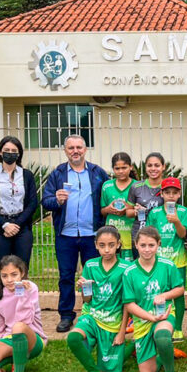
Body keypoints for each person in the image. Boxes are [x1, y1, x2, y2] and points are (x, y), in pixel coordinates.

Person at [41, 134, 110, 333]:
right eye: (71, 148)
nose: (75, 151)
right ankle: (66, 315)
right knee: (66, 276)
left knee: (95, 275)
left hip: (92, 234)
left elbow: (108, 197)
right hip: (66, 234)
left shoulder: (98, 173)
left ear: (85, 149)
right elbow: (46, 201)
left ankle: (95, 312)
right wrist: (57, 200)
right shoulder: (58, 174)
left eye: (79, 147)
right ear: (65, 151)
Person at [66, 226, 132, 372]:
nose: (107, 249)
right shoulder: (90, 265)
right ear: (96, 245)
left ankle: (134, 347)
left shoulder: (127, 267)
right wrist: (84, 288)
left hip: (113, 321)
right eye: (102, 245)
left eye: (111, 245)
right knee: (73, 338)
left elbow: (127, 303)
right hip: (92, 316)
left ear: (118, 244)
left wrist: (122, 332)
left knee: (111, 368)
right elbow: (87, 300)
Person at [122, 226, 186, 372]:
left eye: (151, 245)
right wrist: (150, 317)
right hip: (143, 320)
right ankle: (164, 354)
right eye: (143, 245)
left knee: (162, 335)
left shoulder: (168, 265)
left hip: (164, 315)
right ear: (136, 245)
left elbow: (180, 289)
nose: (147, 249)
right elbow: (129, 304)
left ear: (158, 244)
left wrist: (164, 295)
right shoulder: (129, 272)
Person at [0, 136, 38, 268]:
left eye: (14, 150)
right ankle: (2, 289)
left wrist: (16, 225)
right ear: (0, 152)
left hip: (22, 227)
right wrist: (5, 224)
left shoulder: (27, 175)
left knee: (22, 268)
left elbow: (32, 203)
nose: (10, 153)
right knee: (1, 268)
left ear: (18, 154)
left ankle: (21, 289)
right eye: (6, 150)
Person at [147, 177, 187, 346]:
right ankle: (159, 322)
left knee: (178, 293)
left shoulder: (184, 212)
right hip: (158, 262)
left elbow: (183, 235)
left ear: (179, 194)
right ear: (162, 194)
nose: (171, 196)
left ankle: (178, 327)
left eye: (174, 193)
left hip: (177, 261)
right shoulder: (155, 213)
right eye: (167, 193)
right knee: (159, 293)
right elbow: (150, 236)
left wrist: (177, 221)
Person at [126, 151, 166, 260]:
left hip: (162, 234)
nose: (153, 168)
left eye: (157, 165)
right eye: (149, 165)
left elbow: (177, 210)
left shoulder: (168, 187)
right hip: (139, 234)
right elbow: (128, 212)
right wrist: (136, 211)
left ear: (163, 167)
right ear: (145, 167)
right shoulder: (136, 187)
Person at [100, 152, 137, 261]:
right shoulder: (107, 186)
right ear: (113, 169)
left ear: (131, 167)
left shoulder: (137, 186)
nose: (121, 171)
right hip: (111, 236)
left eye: (124, 167)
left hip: (130, 235)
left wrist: (128, 210)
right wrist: (108, 209)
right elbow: (102, 211)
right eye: (117, 168)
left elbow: (141, 211)